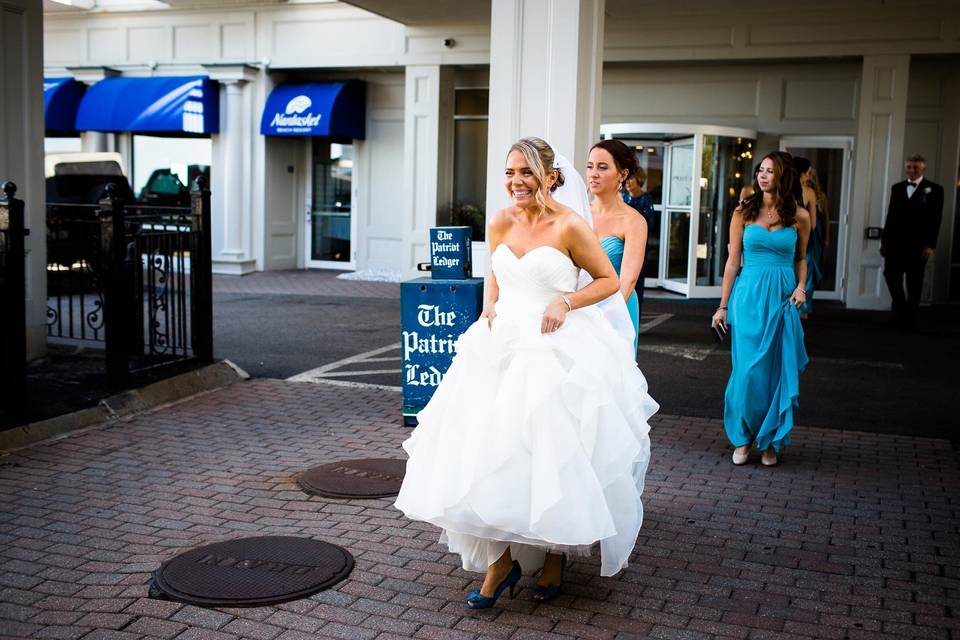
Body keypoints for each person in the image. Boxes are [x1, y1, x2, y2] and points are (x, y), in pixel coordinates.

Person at [395, 137, 657, 610]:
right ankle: (501, 560)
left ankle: (553, 556)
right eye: (510, 173)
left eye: (527, 173)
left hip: (552, 346)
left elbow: (609, 281)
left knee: (550, 454)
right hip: (499, 348)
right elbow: (497, 273)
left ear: (549, 177)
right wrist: (491, 304)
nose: (516, 182)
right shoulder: (499, 221)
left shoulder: (570, 226)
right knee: (492, 452)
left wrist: (565, 301)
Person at [711, 151, 811, 467]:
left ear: (783, 176)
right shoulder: (743, 211)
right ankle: (742, 438)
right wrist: (723, 305)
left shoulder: (800, 216)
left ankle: (770, 441)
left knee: (775, 371)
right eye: (760, 170)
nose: (762, 176)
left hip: (782, 298)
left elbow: (801, 259)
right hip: (748, 297)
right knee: (747, 371)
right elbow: (731, 261)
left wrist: (800, 287)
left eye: (770, 171)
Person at [588, 139, 648, 348]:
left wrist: (604, 318)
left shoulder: (634, 221)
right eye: (590, 166)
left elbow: (628, 281)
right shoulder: (578, 214)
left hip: (616, 307)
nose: (593, 173)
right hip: (578, 305)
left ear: (623, 174)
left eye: (602, 167)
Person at [881, 154, 944, 329]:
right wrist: (884, 241)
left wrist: (931, 245)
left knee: (914, 282)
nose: (911, 170)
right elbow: (891, 216)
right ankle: (902, 311)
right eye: (909, 167)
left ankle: (910, 320)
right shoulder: (897, 188)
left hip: (919, 245)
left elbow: (935, 219)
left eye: (915, 167)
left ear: (923, 169)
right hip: (895, 243)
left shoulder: (935, 189)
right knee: (891, 276)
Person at [792, 157, 824, 318]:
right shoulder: (808, 192)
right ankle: (802, 309)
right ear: (802, 173)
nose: (808, 177)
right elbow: (812, 225)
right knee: (805, 272)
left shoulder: (782, 189)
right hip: (805, 238)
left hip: (786, 238)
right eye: (808, 173)